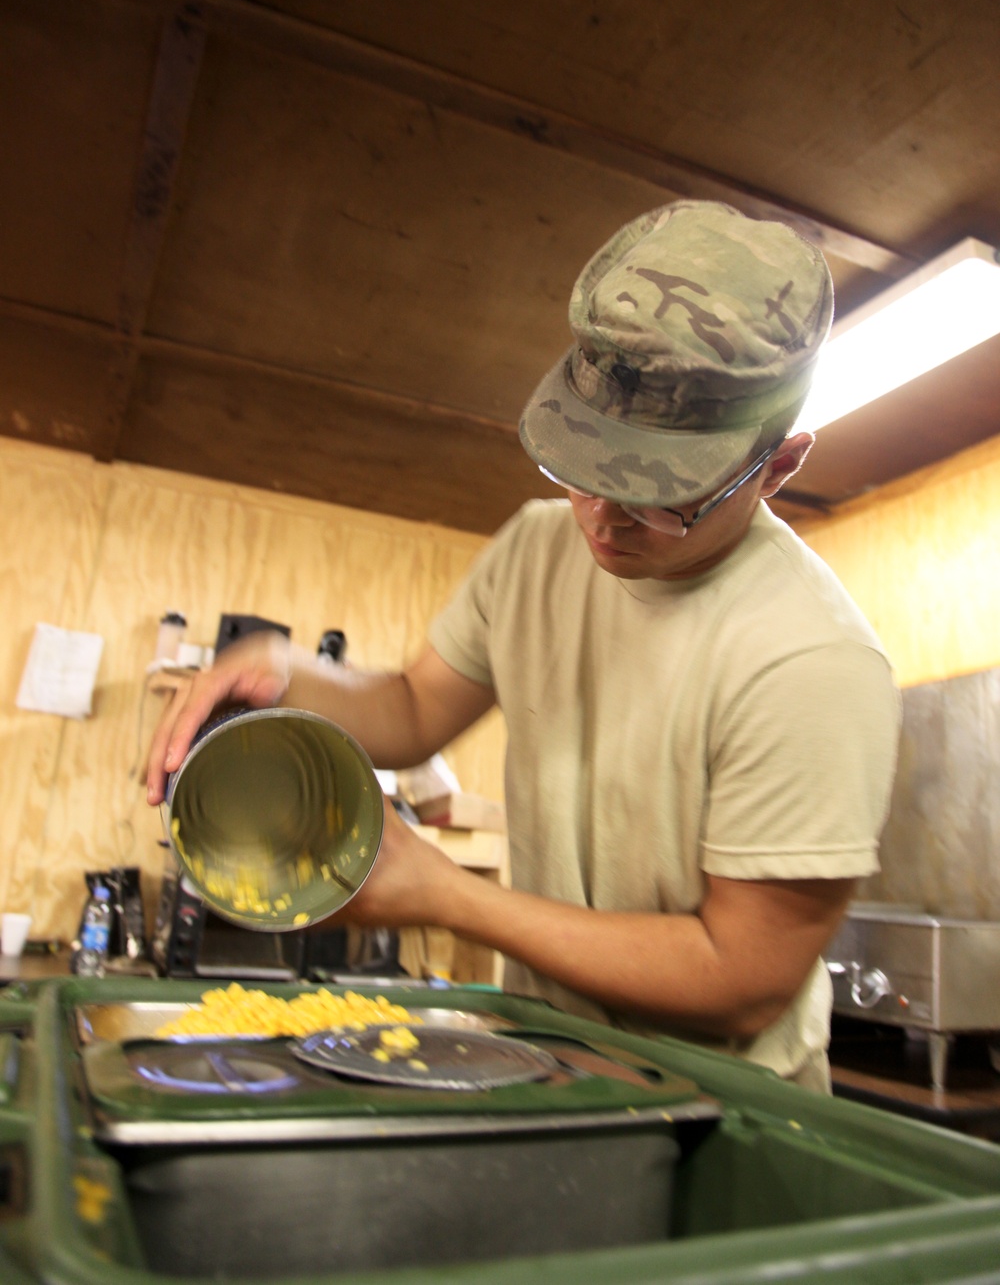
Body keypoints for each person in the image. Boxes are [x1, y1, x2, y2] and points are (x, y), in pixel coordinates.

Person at [147, 199, 900, 1091]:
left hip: (719, 1114)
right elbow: (413, 709)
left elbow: (742, 978)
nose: (603, 522)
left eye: (662, 496)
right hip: (548, 1071)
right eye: (582, 471)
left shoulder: (810, 661)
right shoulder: (538, 548)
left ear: (777, 467)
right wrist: (288, 671)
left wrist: (450, 898)